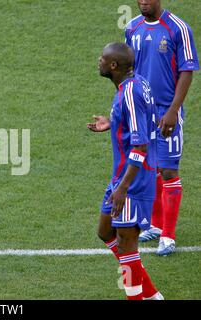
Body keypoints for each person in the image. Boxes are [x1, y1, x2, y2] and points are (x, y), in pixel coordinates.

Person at [88, 42, 163, 300]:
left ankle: (137, 297)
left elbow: (140, 143)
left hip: (133, 180)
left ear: (113, 65)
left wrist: (123, 188)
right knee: (104, 231)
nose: (98, 61)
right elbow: (140, 121)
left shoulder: (130, 92)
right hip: (121, 177)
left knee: (126, 244)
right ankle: (152, 295)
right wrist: (113, 123)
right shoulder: (134, 83)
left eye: (102, 58)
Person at [125, 0, 199, 256]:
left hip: (167, 111)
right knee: (149, 166)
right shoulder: (132, 28)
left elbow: (187, 71)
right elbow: (129, 72)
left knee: (168, 170)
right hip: (141, 111)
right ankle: (155, 225)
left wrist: (173, 110)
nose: (143, 1)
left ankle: (168, 236)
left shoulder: (178, 28)